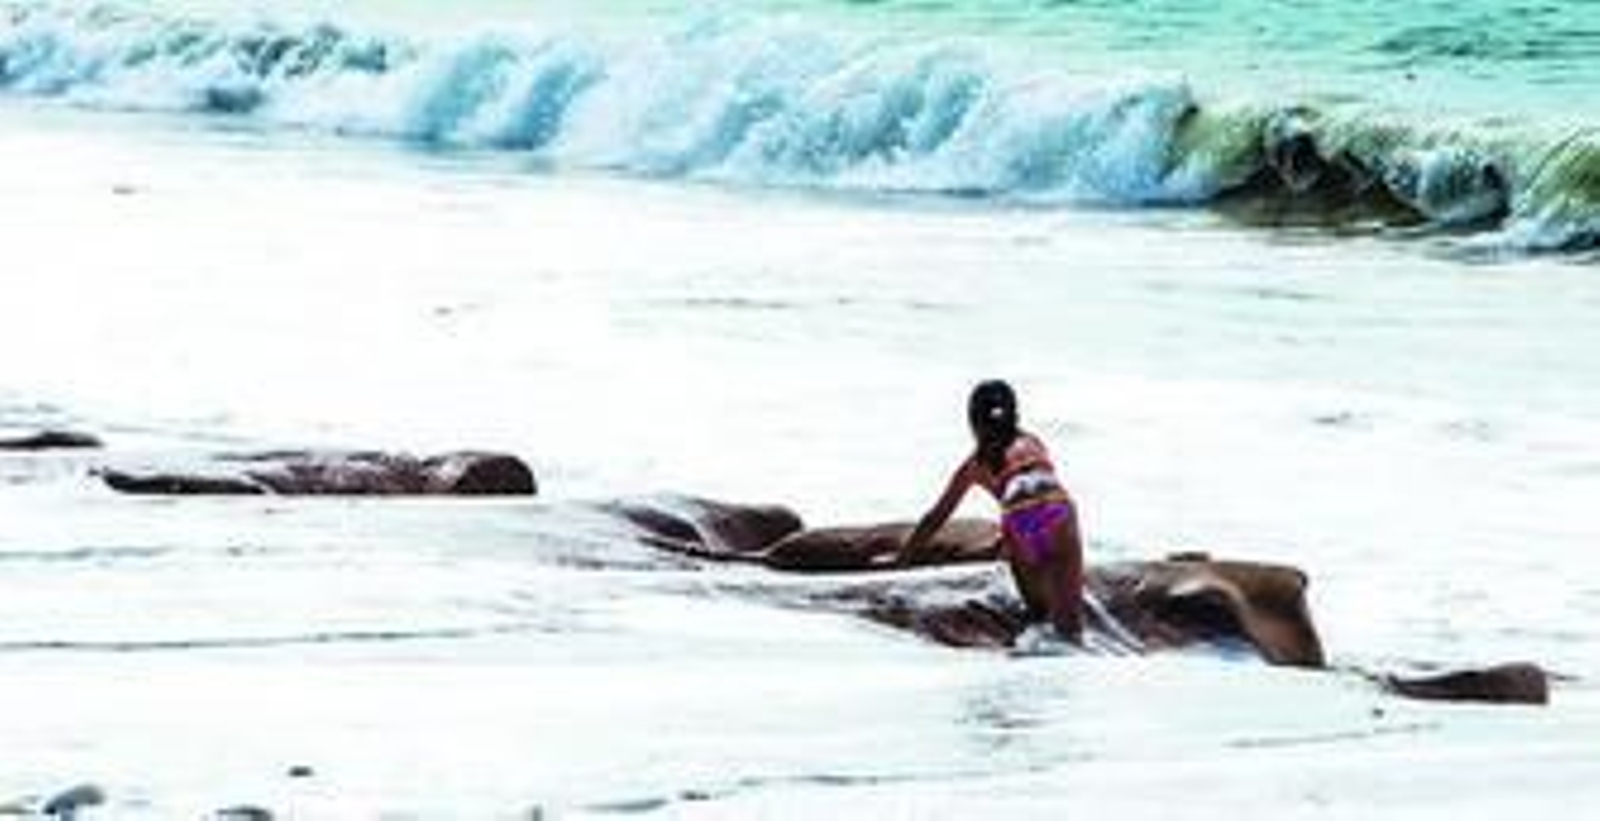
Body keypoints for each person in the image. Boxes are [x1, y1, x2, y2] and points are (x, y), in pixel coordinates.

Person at [900, 380, 1085, 644]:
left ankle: (1027, 679)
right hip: (1054, 507)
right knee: (1070, 631)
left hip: (1017, 516)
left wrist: (904, 558)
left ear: (973, 423)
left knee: (1039, 614)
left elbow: (936, 516)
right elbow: (1037, 495)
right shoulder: (1032, 442)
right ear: (1015, 415)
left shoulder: (974, 465)